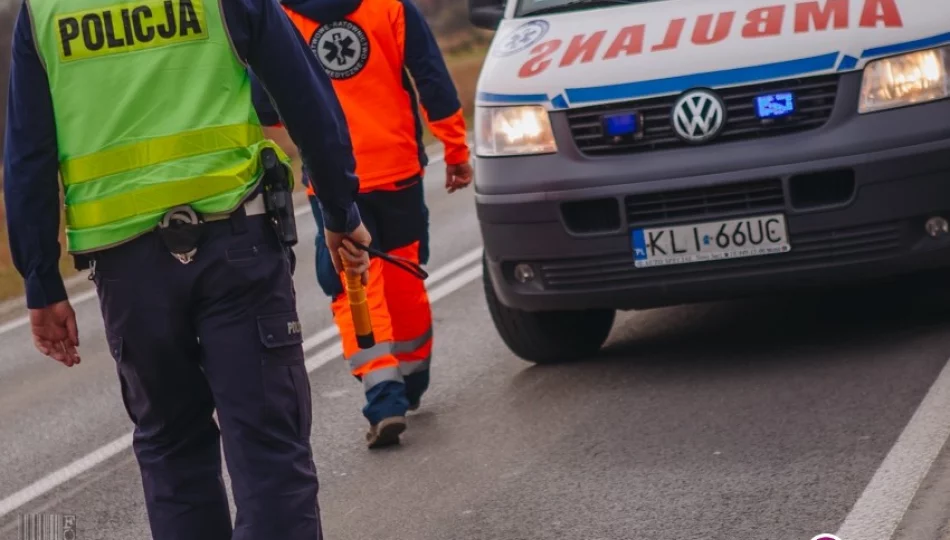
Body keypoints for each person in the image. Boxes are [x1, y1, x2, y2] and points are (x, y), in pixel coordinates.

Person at [3, 0, 372, 537]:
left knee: (173, 452)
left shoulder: (44, 10)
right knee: (268, 445)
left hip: (126, 268)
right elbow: (303, 93)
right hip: (236, 242)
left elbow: (27, 155)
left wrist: (40, 279)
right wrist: (339, 208)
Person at [252, 0, 473, 449]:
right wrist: (455, 149)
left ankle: (383, 394)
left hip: (333, 179)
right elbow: (431, 77)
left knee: (352, 283)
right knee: (404, 272)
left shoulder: (282, 15)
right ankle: (410, 379)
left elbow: (266, 106)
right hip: (398, 166)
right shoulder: (390, 5)